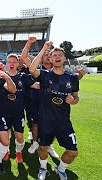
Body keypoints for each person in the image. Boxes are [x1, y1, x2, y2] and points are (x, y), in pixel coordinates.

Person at [28, 41, 80, 180]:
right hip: (45, 121)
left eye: (60, 55)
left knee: (72, 152)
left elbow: (76, 97)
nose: (57, 57)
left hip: (64, 121)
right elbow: (32, 69)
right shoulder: (45, 75)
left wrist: (73, 101)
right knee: (43, 148)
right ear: (50, 59)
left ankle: (60, 169)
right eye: (54, 55)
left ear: (64, 58)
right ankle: (43, 168)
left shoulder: (73, 77)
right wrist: (44, 48)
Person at [1, 54, 39, 163]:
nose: (12, 64)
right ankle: (7, 151)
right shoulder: (1, 77)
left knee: (20, 137)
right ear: (6, 63)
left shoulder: (24, 77)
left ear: (18, 64)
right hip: (4, 113)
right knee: (5, 137)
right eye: (9, 62)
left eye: (14, 62)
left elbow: (37, 85)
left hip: (18, 113)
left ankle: (18, 152)